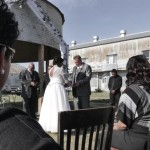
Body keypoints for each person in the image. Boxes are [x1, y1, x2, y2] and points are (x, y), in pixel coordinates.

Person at [0, 0, 62, 149]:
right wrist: (29, 84)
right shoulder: (33, 142)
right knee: (28, 106)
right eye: (11, 54)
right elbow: (23, 80)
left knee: (32, 108)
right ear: (2, 58)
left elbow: (40, 79)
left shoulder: (36, 73)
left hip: (35, 92)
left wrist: (35, 83)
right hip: (27, 91)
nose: (32, 67)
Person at [111, 55, 150, 150]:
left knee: (103, 135)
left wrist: (109, 126)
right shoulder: (147, 89)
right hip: (146, 134)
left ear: (130, 71)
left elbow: (122, 125)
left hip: (140, 138)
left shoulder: (131, 91)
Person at [39, 56, 70, 133]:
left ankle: (49, 125)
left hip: (50, 88)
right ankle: (60, 125)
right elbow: (64, 80)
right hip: (58, 87)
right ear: (59, 62)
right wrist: (67, 83)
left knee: (50, 105)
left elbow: (52, 78)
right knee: (59, 104)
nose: (62, 64)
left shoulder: (50, 70)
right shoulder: (61, 69)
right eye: (61, 62)